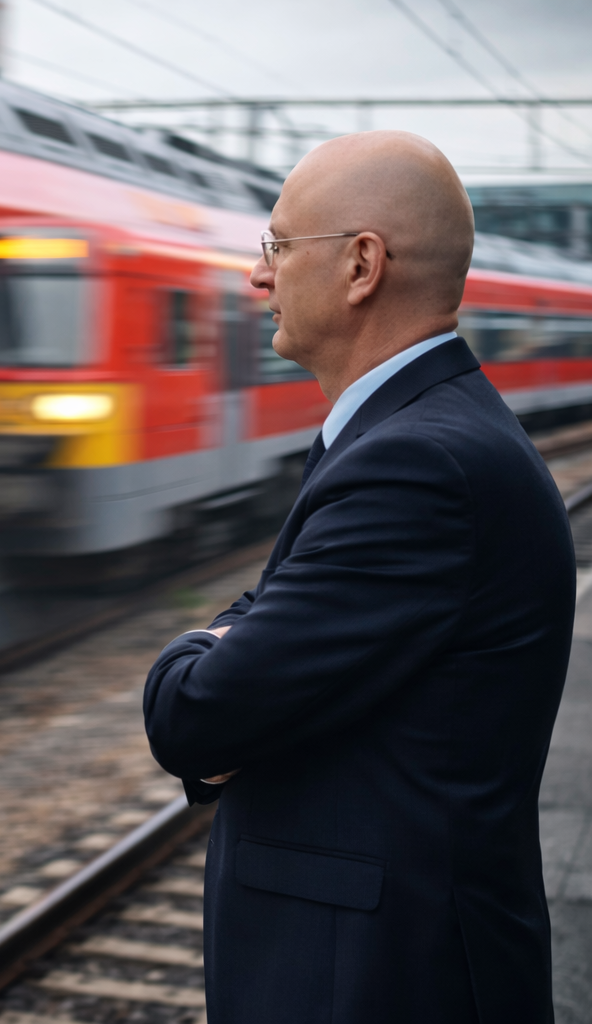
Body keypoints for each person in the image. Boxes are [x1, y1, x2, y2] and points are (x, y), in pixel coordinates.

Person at [142, 131, 573, 1023]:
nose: (256, 277)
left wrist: (201, 657)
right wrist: (244, 648)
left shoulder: (417, 465)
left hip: (370, 979)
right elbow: (265, 633)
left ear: (361, 265)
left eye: (278, 245)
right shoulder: (417, 437)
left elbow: (197, 711)